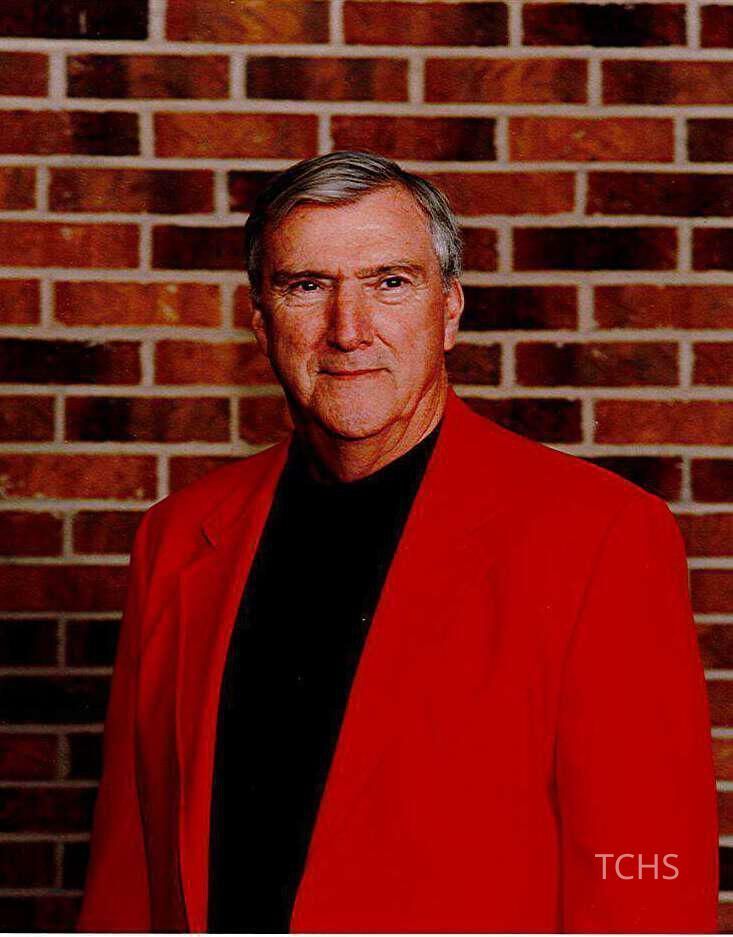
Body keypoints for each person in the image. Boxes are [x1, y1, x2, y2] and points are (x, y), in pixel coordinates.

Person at [77, 151, 718, 934]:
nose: (348, 331)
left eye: (389, 282)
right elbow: (128, 876)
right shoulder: (177, 537)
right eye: (306, 286)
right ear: (261, 320)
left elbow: (648, 874)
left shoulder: (599, 534)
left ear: (447, 310)